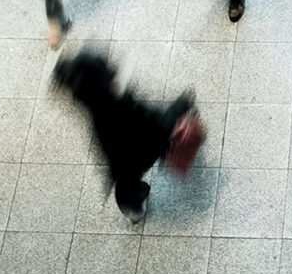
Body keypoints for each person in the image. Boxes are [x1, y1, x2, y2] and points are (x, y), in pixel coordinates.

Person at [54, 49, 199, 223]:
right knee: (170, 121)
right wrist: (182, 105)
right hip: (145, 146)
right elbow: (156, 123)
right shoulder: (119, 104)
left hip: (125, 162)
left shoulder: (96, 107)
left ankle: (133, 209)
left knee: (127, 184)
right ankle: (186, 108)